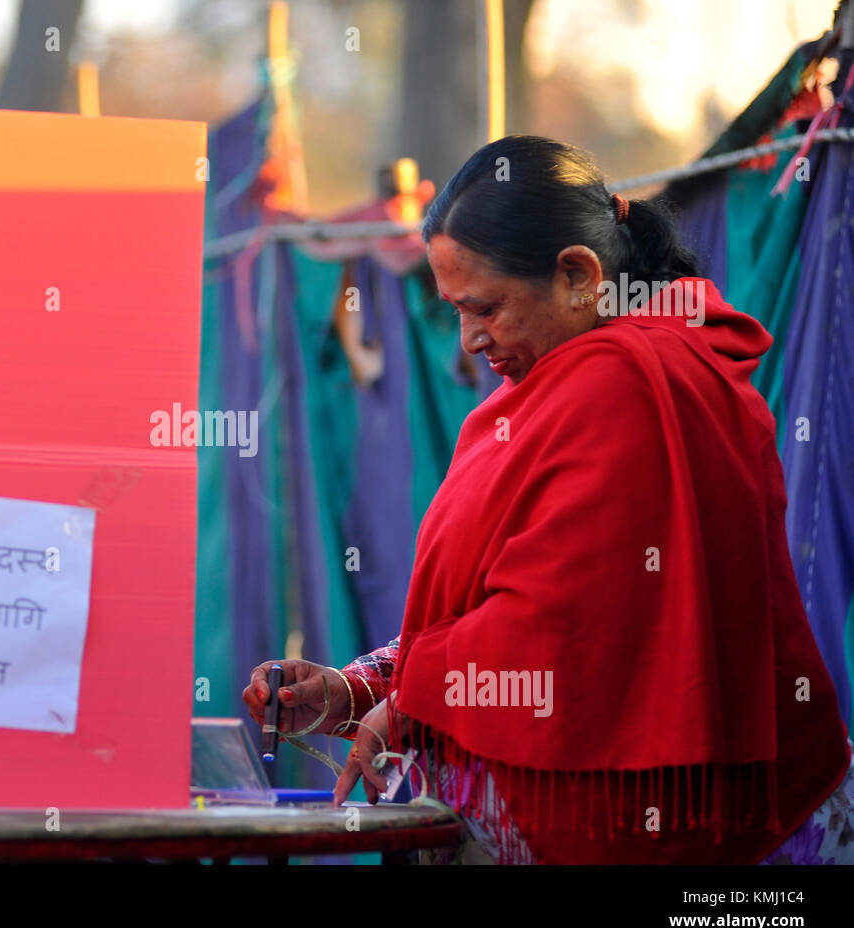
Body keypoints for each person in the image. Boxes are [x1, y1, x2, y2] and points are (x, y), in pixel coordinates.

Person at [244, 136, 852, 864]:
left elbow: (564, 631)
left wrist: (409, 697)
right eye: (457, 312)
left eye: (487, 308)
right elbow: (499, 606)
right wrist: (354, 688)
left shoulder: (628, 385)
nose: (470, 340)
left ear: (577, 275)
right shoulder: (576, 385)